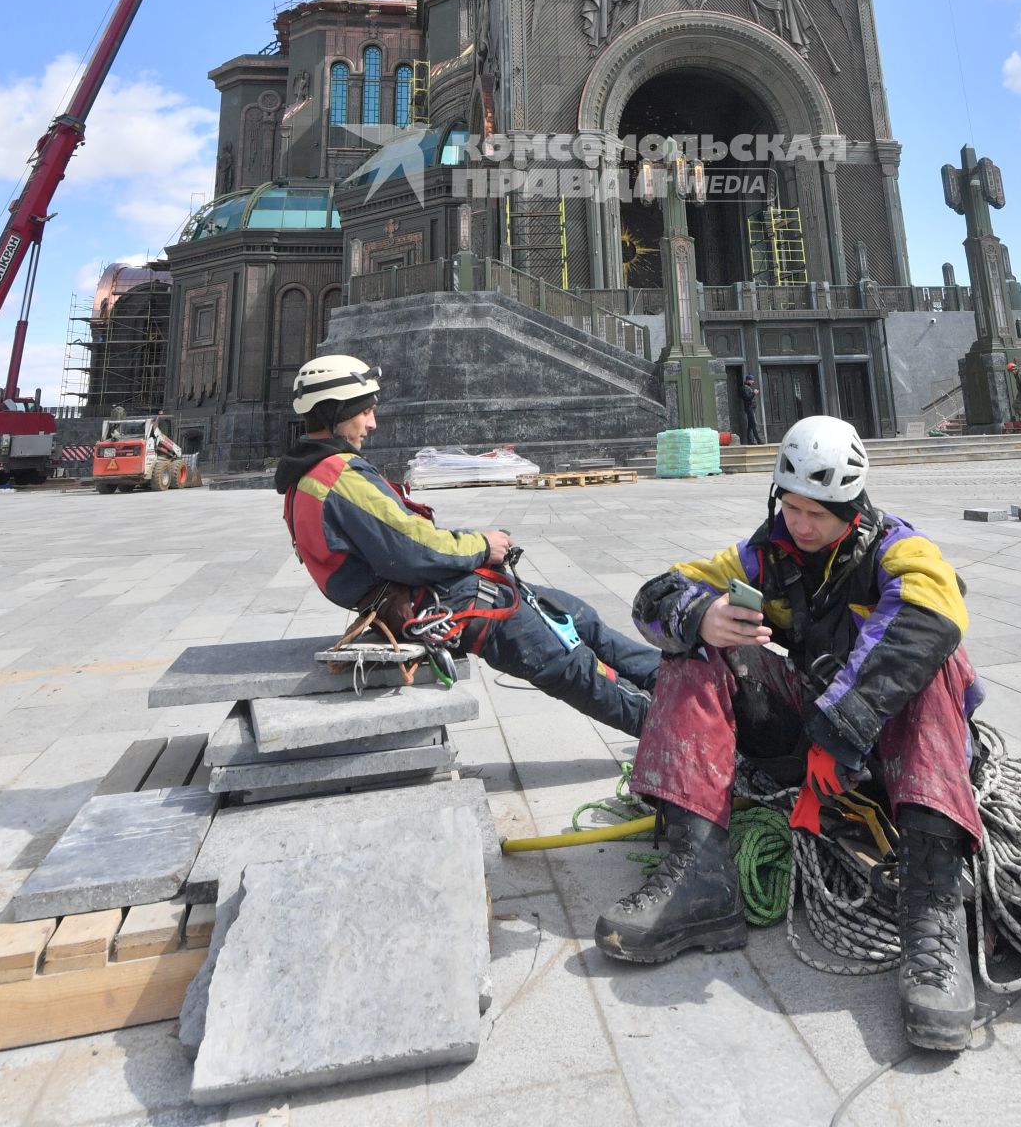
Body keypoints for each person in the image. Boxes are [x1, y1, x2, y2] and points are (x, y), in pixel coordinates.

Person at [594, 414, 984, 1053]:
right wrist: (699, 615)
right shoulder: (762, 555)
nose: (801, 526)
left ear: (853, 509)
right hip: (796, 744)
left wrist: (843, 728)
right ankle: (699, 877)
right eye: (793, 507)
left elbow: (932, 613)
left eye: (819, 514)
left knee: (938, 660)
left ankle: (933, 914)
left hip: (891, 757)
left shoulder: (900, 552)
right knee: (694, 649)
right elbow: (657, 594)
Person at [276, 354, 659, 736]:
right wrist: (482, 545)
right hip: (447, 602)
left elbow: (401, 539)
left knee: (578, 615)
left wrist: (474, 544)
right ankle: (679, 735)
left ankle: (678, 682)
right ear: (336, 412)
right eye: (365, 412)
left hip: (439, 593)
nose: (372, 424)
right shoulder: (339, 476)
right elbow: (411, 551)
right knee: (571, 664)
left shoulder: (306, 479)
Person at [739, 372, 762, 444]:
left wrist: (754, 393)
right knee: (754, 424)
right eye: (751, 380)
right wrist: (754, 393)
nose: (753, 381)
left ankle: (750, 441)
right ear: (748, 380)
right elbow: (747, 398)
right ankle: (758, 440)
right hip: (749, 408)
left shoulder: (748, 388)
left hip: (751, 408)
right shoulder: (745, 388)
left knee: (750, 425)